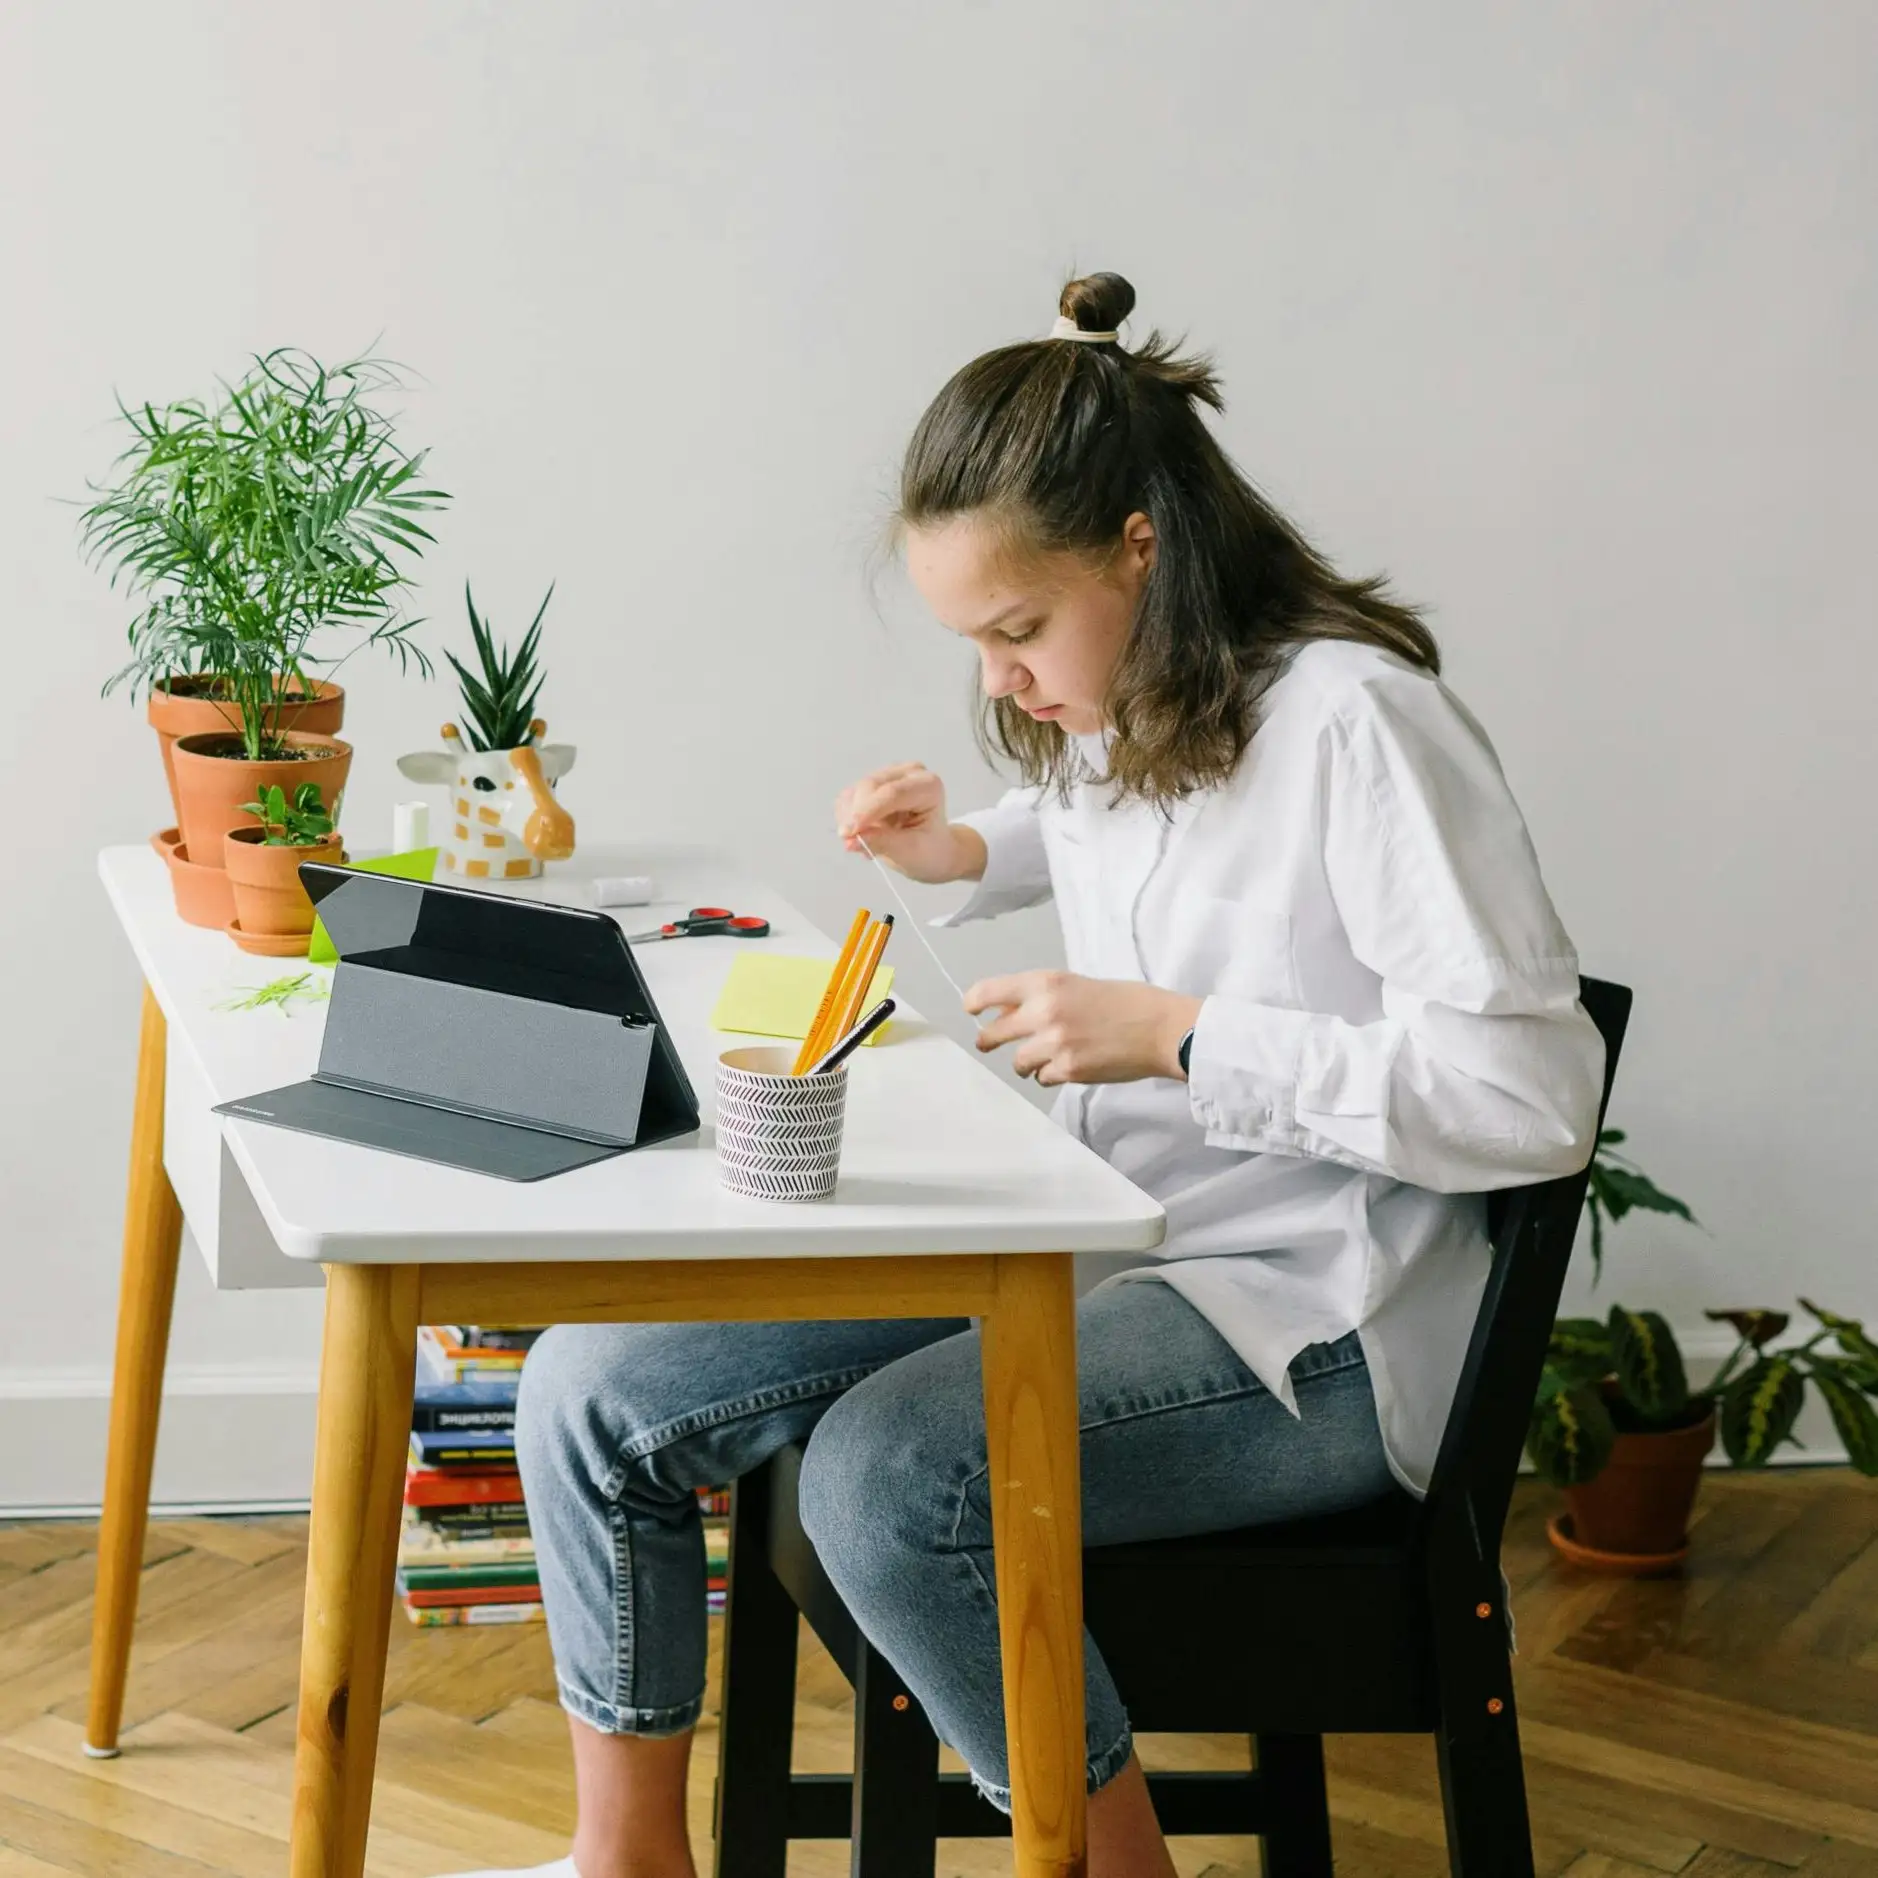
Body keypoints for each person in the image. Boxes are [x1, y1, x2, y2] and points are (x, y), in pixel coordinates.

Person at [439, 272, 1604, 1878]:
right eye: (973, 641)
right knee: (589, 1386)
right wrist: (955, 848)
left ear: (1140, 546)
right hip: (1104, 1243)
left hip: (1308, 1323)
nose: (997, 681)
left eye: (1013, 630)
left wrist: (1180, 1034)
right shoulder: (1146, 701)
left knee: (893, 1476)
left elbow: (1534, 1099)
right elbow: (1117, 827)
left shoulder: (1360, 724)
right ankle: (627, 1858)